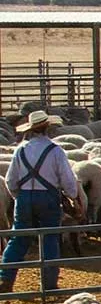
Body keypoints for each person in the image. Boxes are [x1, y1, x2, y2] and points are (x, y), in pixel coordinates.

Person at [0, 111, 81, 293]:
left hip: (24, 198)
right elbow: (68, 181)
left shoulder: (20, 150)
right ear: (47, 127)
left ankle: (5, 280)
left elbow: (10, 180)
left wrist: (18, 197)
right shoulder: (56, 151)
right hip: (48, 198)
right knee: (50, 238)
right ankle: (49, 283)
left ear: (30, 129)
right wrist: (72, 195)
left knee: (18, 239)